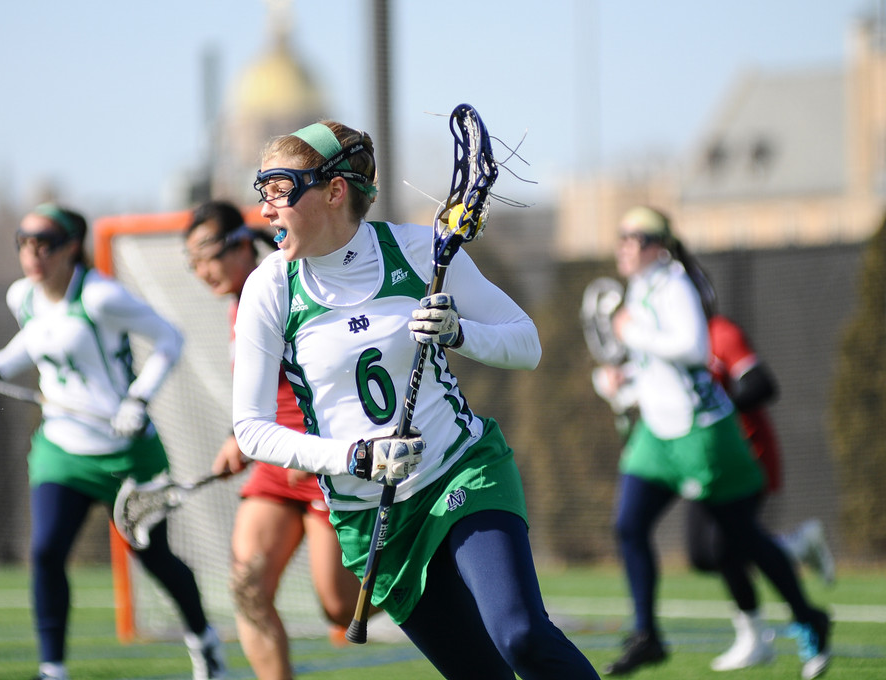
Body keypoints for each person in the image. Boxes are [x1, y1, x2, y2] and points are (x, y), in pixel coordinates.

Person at [231, 120, 600, 680]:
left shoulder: (414, 250)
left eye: (281, 190)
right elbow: (251, 428)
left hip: (459, 472)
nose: (266, 210)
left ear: (334, 191)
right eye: (264, 192)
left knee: (520, 635)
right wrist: (354, 457)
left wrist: (459, 334)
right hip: (372, 515)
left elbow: (526, 344)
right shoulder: (271, 288)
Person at [0, 203, 226, 680]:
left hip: (127, 453)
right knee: (46, 552)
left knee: (155, 558)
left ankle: (204, 640)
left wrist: (138, 399)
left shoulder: (99, 297)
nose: (32, 254)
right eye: (24, 242)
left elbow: (170, 338)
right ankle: (52, 668)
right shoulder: (24, 296)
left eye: (45, 243)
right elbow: (34, 340)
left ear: (71, 247)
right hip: (62, 448)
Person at [592, 205, 830, 679]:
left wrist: (631, 331)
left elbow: (695, 349)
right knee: (628, 527)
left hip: (703, 435)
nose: (622, 244)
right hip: (657, 435)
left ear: (658, 246)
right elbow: (657, 366)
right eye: (620, 235)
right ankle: (647, 635)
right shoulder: (640, 288)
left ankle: (809, 618)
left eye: (633, 237)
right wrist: (623, 382)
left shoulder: (675, 284)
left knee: (739, 541)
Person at [184, 200, 369, 679]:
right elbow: (260, 389)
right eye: (194, 263)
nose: (203, 271)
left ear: (243, 244)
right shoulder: (236, 303)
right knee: (249, 588)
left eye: (210, 256)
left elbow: (340, 373)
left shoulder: (292, 286)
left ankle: (424, 578)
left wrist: (314, 450)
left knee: (341, 610)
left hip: (326, 460)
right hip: (273, 463)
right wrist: (238, 435)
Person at [686, 301, 836, 671]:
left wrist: (715, 412)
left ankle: (777, 630)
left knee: (725, 545)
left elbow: (761, 384)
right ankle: (795, 545)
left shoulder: (719, 332)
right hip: (703, 461)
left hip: (746, 455)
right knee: (704, 555)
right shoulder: (663, 337)